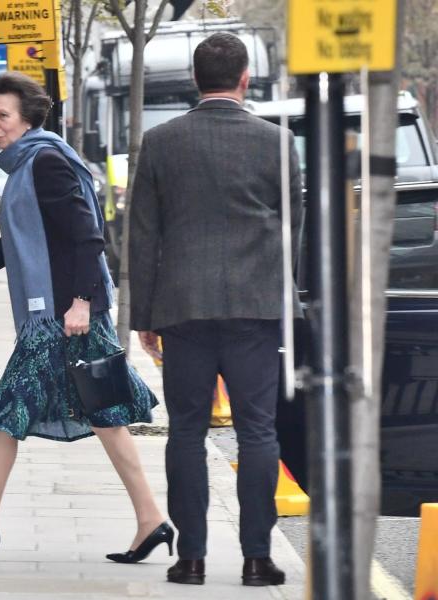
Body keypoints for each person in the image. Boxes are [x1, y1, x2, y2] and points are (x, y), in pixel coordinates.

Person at [0, 72, 169, 565]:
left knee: (7, 411)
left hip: (63, 318)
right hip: (64, 316)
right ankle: (151, 520)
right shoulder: (31, 162)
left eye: (2, 116)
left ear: (28, 118)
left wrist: (80, 300)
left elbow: (85, 234)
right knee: (103, 415)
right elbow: (24, 242)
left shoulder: (46, 162)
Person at [128, 32, 303, 587]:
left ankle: (192, 558)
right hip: (254, 310)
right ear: (245, 78)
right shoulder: (276, 142)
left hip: (183, 309)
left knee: (185, 432)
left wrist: (144, 317)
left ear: (194, 80)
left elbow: (142, 235)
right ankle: (257, 558)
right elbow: (293, 229)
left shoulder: (161, 142)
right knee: (257, 431)